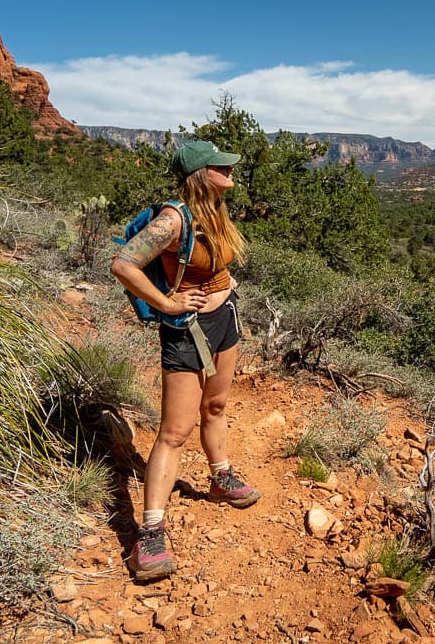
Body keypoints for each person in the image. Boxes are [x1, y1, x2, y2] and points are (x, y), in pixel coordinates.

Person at [111, 140, 261, 582]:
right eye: (221, 166)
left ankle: (220, 477)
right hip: (186, 328)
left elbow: (214, 263)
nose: (231, 172)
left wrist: (223, 286)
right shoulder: (174, 218)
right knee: (175, 432)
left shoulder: (215, 207)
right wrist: (168, 303)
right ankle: (150, 532)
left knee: (216, 407)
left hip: (224, 318)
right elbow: (124, 263)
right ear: (200, 173)